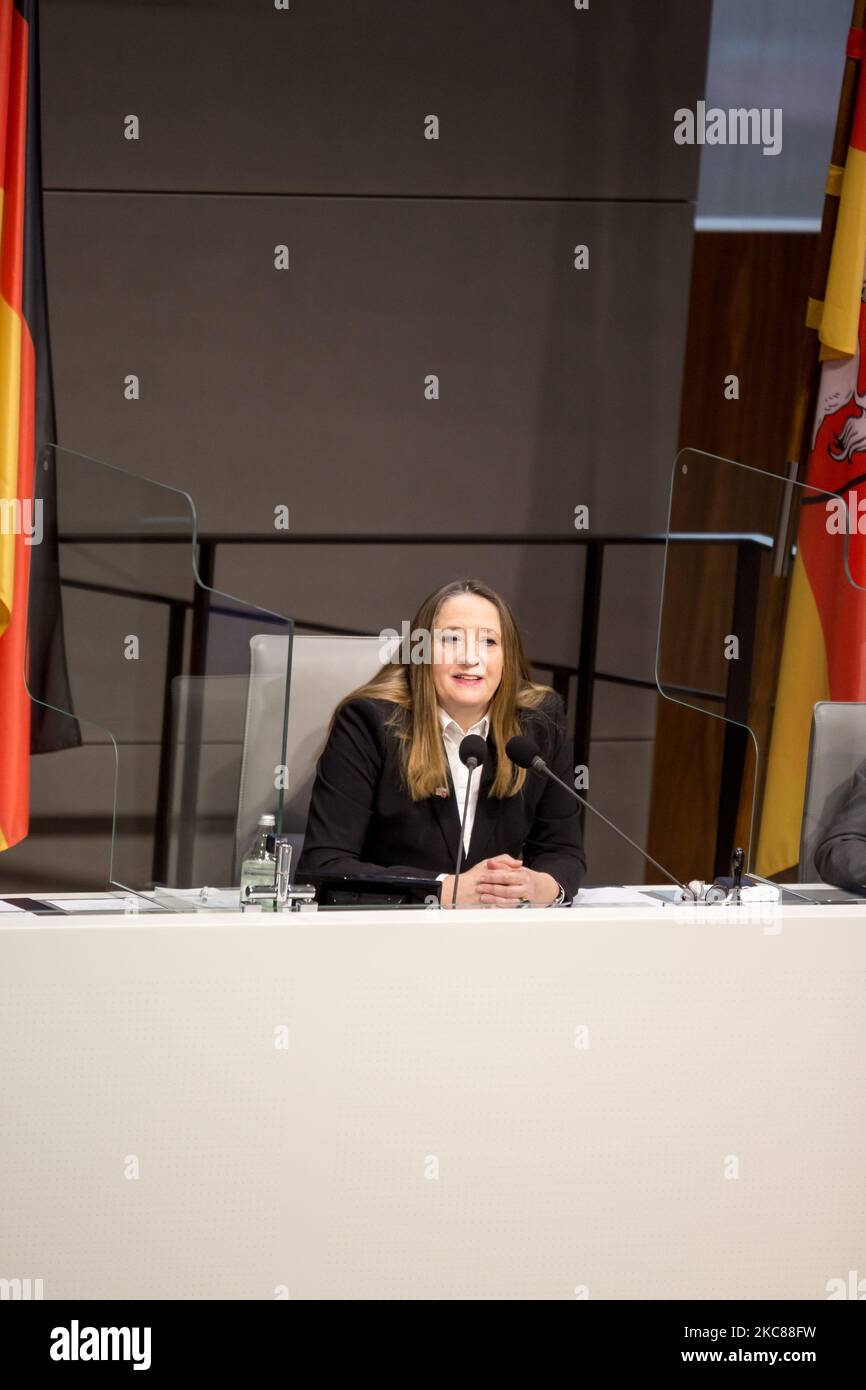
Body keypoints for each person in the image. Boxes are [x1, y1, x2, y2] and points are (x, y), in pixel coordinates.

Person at [295, 578, 586, 906]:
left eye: (488, 641)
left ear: (509, 657)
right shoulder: (368, 722)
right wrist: (443, 889)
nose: (470, 659)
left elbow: (562, 852)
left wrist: (536, 886)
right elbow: (323, 867)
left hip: (497, 936)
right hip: (390, 935)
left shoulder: (539, 724)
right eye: (451, 640)